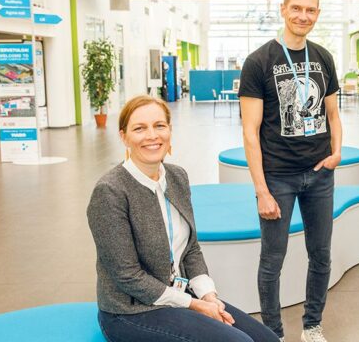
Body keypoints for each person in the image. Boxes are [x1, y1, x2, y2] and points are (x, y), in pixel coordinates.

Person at [87, 95, 279, 342]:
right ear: (124, 137)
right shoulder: (110, 191)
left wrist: (209, 296)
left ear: (169, 131)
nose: (152, 135)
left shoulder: (177, 177)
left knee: (267, 340)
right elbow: (127, 276)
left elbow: (191, 249)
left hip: (180, 296)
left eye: (159, 126)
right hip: (131, 311)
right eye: (139, 128)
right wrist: (193, 304)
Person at [238, 0, 342, 342]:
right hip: (277, 177)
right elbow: (250, 133)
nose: (303, 16)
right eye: (296, 8)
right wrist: (261, 190)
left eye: (310, 9)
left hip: (319, 175)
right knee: (272, 261)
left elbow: (333, 114)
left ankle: (312, 325)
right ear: (283, 9)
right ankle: (273, 333)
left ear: (317, 13)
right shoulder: (259, 61)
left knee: (322, 256)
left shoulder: (324, 57)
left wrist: (336, 153)